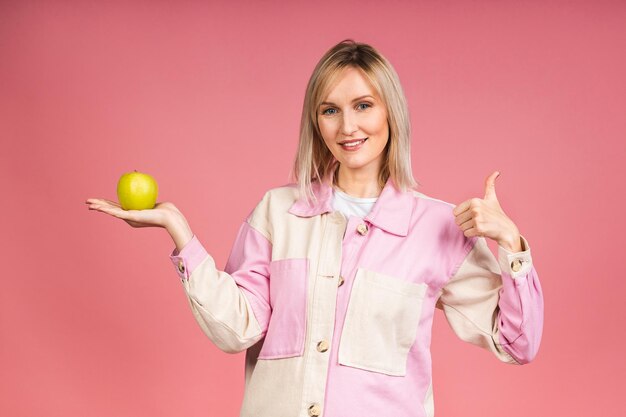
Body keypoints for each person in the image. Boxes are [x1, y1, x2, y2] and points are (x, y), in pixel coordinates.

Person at [86, 39, 544, 417]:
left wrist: (512, 244)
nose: (348, 126)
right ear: (315, 121)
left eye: (364, 105)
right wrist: (179, 231)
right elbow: (236, 329)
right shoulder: (277, 212)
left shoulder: (437, 227)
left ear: (390, 114)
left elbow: (517, 343)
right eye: (330, 110)